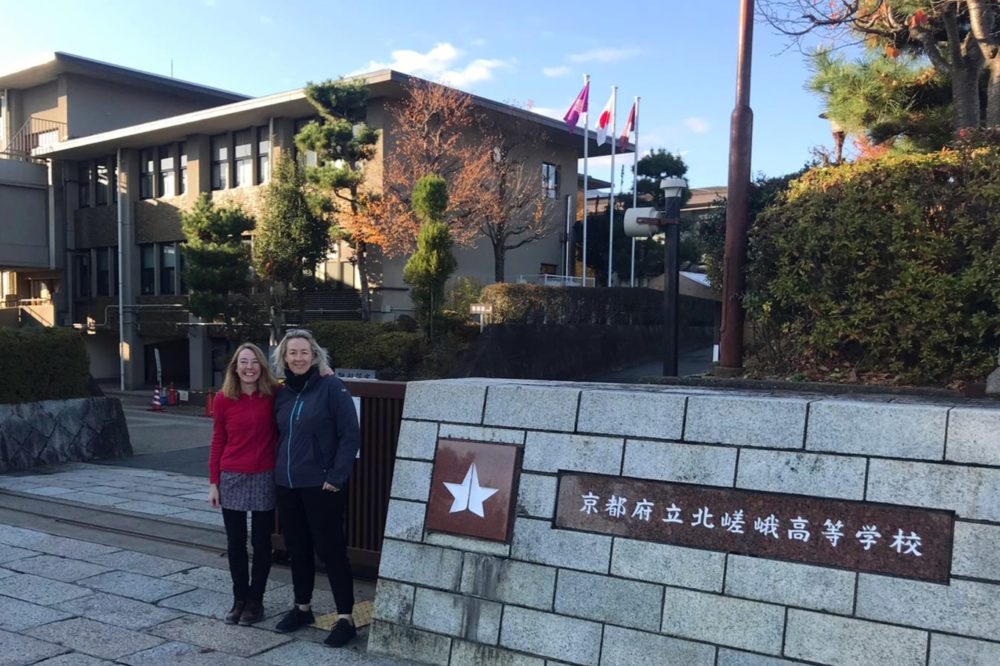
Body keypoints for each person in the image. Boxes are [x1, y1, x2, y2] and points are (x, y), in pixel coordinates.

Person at [271, 328, 361, 648]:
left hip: (322, 484)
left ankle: (345, 617)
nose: (298, 358)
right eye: (292, 353)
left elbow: (350, 435)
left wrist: (336, 477)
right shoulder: (281, 392)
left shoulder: (331, 387)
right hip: (287, 483)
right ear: (284, 357)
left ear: (314, 356)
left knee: (332, 551)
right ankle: (302, 607)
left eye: (304, 352)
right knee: (297, 548)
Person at [208, 342, 279, 626]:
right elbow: (217, 441)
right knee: (235, 542)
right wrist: (214, 482)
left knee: (262, 543)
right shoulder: (224, 398)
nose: (249, 367)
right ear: (235, 367)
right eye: (243, 362)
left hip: (264, 475)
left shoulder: (275, 394)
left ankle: (255, 601)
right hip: (232, 476)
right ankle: (239, 598)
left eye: (254, 362)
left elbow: (305, 387)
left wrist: (323, 367)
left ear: (262, 366)